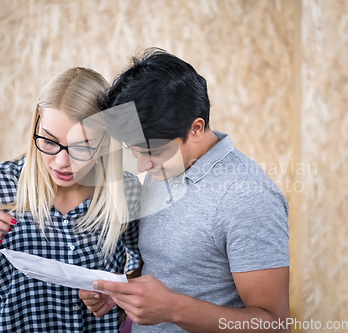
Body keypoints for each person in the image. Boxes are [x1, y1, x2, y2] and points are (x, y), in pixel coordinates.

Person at [79, 49, 291, 332]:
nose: (142, 166)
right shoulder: (164, 165)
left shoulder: (248, 197)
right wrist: (122, 292)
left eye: (151, 152)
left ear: (196, 129)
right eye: (134, 152)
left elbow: (274, 324)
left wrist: (174, 309)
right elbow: (169, 270)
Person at [0, 67, 141, 332]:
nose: (62, 162)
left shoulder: (126, 191)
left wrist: (116, 292)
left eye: (82, 146)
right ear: (37, 124)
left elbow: (143, 272)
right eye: (49, 140)